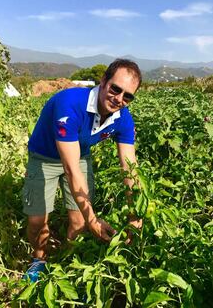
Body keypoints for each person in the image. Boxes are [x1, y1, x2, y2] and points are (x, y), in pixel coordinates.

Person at [22, 59, 143, 282]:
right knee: (38, 221)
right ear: (103, 80)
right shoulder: (70, 103)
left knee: (78, 222)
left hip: (80, 157)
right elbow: (70, 168)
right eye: (115, 89)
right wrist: (93, 220)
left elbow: (130, 168)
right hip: (44, 157)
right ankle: (38, 259)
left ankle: (67, 260)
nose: (119, 99)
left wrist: (135, 213)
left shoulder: (123, 120)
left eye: (127, 96)